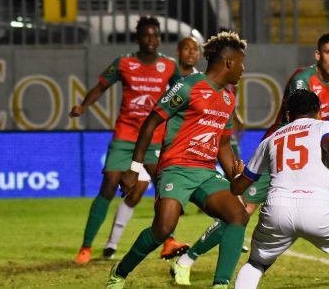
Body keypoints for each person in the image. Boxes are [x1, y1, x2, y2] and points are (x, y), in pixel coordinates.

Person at [171, 33, 329, 285]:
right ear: (318, 54)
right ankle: (187, 259)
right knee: (241, 212)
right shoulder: (302, 80)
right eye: (328, 52)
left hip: (314, 149)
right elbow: (303, 121)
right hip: (281, 152)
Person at [105, 31, 249, 289]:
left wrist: (234, 178)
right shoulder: (188, 86)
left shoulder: (228, 99)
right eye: (241, 62)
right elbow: (150, 123)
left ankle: (221, 284)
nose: (243, 68)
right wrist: (135, 169)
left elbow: (223, 143)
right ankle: (120, 272)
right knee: (162, 230)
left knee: (237, 215)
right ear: (228, 62)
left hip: (205, 171)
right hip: (176, 168)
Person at [232, 89, 329, 289]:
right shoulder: (325, 126)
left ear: (288, 115)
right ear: (319, 112)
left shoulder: (270, 140)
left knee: (256, 263)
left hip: (277, 208)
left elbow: (238, 188)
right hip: (317, 208)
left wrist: (237, 175)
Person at [70, 16, 188, 264]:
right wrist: (83, 107)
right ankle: (86, 247)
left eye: (156, 35)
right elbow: (101, 86)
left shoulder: (168, 65)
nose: (152, 40)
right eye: (147, 35)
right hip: (125, 136)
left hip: (154, 139)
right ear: (138, 38)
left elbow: (184, 94)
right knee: (110, 185)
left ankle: (169, 240)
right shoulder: (124, 63)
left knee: (164, 186)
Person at [158, 37, 202, 260]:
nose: (191, 53)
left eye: (195, 49)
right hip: (160, 136)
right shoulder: (168, 75)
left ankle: (169, 240)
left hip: (183, 140)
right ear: (178, 52)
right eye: (187, 48)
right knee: (134, 192)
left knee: (138, 193)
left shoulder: (199, 79)